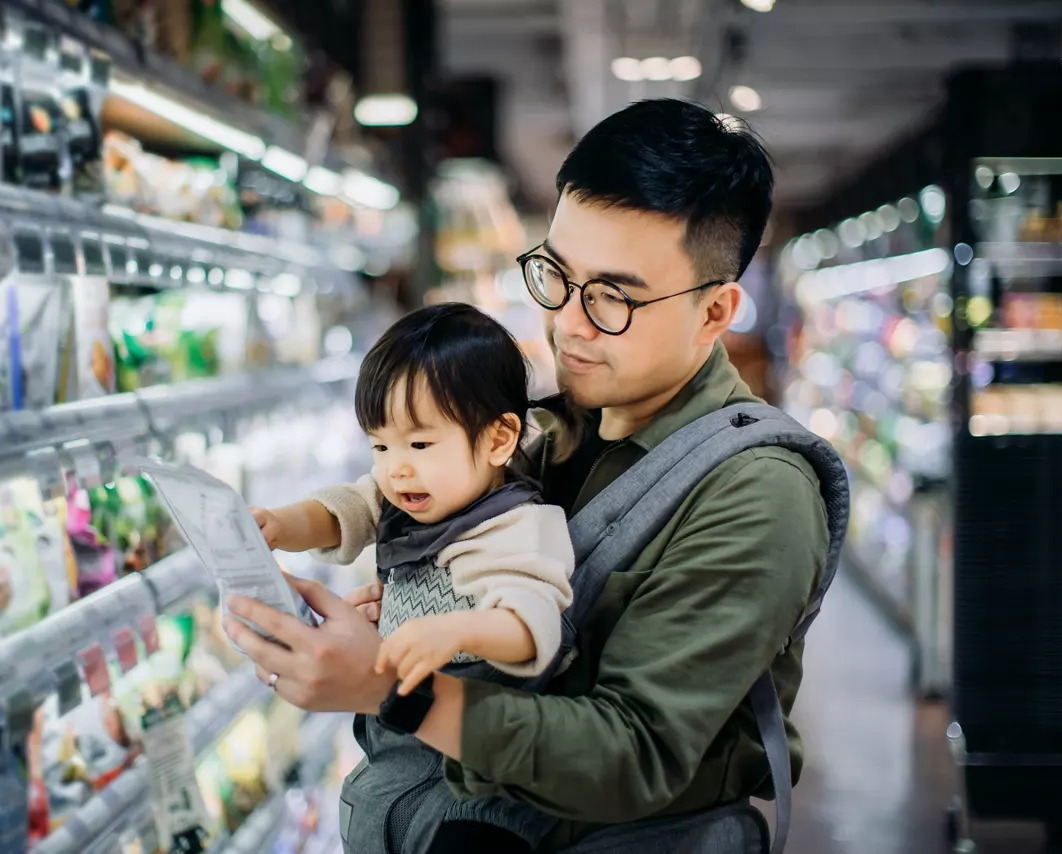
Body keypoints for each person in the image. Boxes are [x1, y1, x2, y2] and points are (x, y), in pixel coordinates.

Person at [223, 98, 835, 852]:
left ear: (715, 313)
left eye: (615, 298)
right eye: (557, 275)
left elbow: (634, 753)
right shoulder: (550, 428)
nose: (569, 324)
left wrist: (392, 690)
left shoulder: (758, 493)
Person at [249, 302, 576, 851]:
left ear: (498, 440)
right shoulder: (406, 496)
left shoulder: (517, 528)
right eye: (379, 445)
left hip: (478, 781)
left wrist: (458, 629)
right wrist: (279, 525)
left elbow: (532, 624)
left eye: (420, 444)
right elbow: (343, 509)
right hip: (397, 753)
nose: (395, 468)